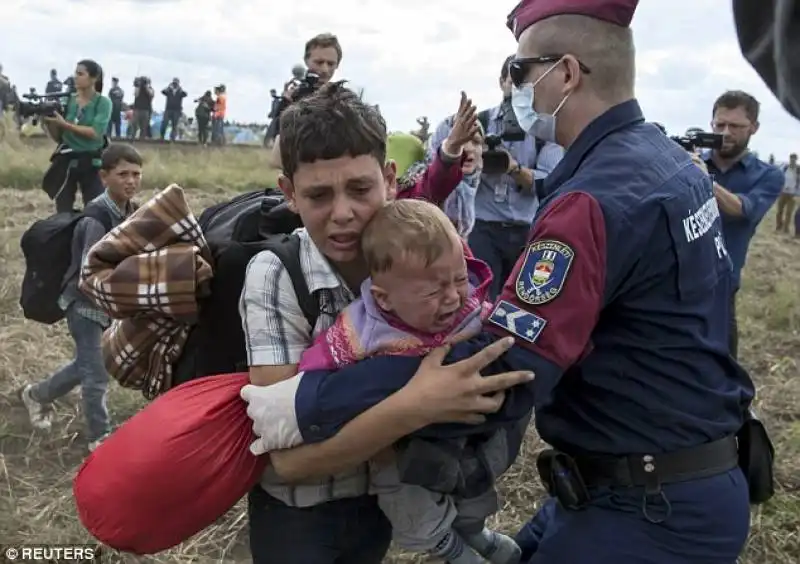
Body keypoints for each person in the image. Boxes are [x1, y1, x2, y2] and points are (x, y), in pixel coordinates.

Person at [243, 0, 760, 562]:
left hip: (648, 508)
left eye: (519, 70)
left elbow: (503, 365)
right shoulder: (670, 162)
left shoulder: (591, 199)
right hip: (670, 479)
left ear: (564, 73)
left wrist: (313, 400)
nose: (514, 87)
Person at [238, 82, 500, 564]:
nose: (344, 214)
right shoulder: (276, 276)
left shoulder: (423, 252)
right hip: (301, 517)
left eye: (360, 189)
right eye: (319, 195)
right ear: (289, 194)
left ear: (390, 178)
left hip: (381, 504)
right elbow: (288, 461)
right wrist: (417, 405)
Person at [250, 199, 522, 564]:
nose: (454, 296)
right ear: (385, 300)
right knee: (408, 502)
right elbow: (315, 375)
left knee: (475, 489)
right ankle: (451, 549)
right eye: (432, 292)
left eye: (460, 279)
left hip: (459, 438)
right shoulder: (363, 330)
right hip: (394, 451)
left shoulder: (469, 305)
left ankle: (475, 531)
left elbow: (501, 329)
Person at [21, 144, 142, 451]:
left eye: (136, 174)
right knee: (97, 376)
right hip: (84, 305)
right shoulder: (96, 219)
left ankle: (36, 395)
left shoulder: (132, 212)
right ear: (104, 177)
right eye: (122, 174)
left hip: (107, 305)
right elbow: (91, 272)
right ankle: (99, 439)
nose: (131, 181)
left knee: (87, 365)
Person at [698, 90, 783, 358]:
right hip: (672, 279)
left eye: (735, 126)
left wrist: (702, 181)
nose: (725, 133)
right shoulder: (691, 161)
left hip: (721, 284)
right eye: (719, 125)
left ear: (754, 128)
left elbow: (743, 210)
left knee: (720, 363)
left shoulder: (768, 176)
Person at [42, 60, 113, 213]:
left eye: (80, 74)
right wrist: (50, 123)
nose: (76, 77)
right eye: (76, 73)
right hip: (66, 160)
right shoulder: (67, 101)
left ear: (94, 78)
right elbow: (59, 138)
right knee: (63, 209)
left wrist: (65, 125)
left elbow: (95, 133)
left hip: (92, 161)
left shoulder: (103, 102)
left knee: (95, 209)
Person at [776, 153, 799, 233]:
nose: (792, 160)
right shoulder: (785, 167)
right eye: (791, 158)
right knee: (779, 211)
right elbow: (779, 177)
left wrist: (797, 193)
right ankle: (778, 226)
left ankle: (786, 229)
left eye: (794, 159)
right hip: (783, 192)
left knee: (789, 212)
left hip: (792, 194)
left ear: (796, 160)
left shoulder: (798, 169)